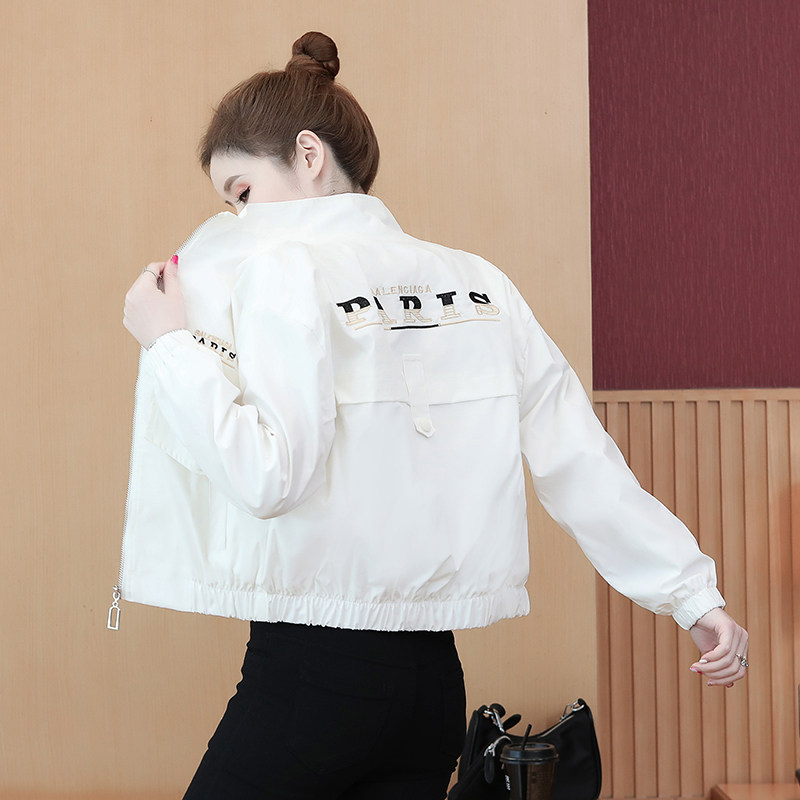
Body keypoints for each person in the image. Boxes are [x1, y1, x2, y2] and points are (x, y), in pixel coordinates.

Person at [120, 31, 748, 800]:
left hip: (314, 671)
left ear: (308, 154)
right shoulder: (479, 282)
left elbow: (268, 478)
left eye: (242, 193)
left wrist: (169, 345)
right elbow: (580, 458)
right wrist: (693, 597)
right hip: (432, 686)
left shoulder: (284, 270)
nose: (237, 221)